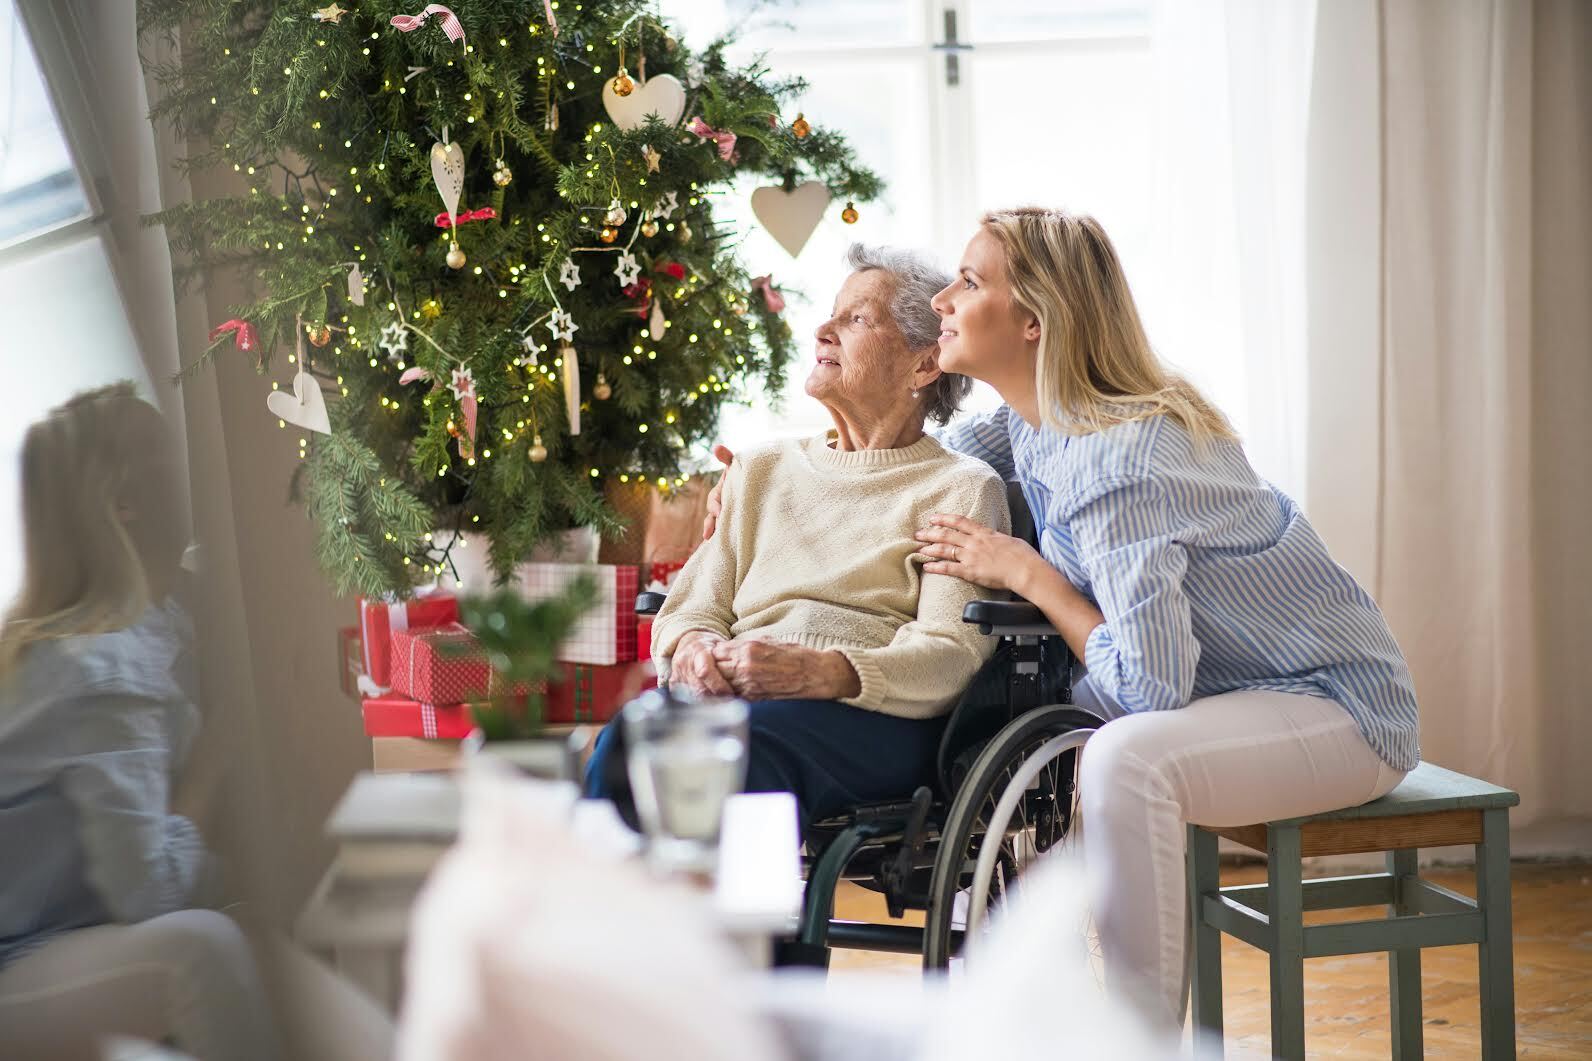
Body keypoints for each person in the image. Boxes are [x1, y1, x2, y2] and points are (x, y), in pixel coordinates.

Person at [706, 210, 1419, 1029]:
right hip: (1235, 696)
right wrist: (758, 480)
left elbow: (1150, 688)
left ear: (1032, 322)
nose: (943, 297)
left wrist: (1031, 574)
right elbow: (903, 463)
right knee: (1110, 752)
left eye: (970, 283)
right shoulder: (1031, 422)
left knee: (1126, 756)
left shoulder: (1125, 460)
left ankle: (1130, 1039)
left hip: (1338, 705)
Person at [586, 245, 1010, 831]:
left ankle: (725, 920)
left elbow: (950, 653)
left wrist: (824, 671)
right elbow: (692, 609)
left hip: (874, 718)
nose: (823, 330)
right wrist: (693, 654)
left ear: (923, 365)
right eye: (833, 313)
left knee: (731, 754)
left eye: (857, 319)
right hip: (742, 700)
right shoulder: (759, 470)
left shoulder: (959, 489)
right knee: (627, 740)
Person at [0, 384, 278, 1060]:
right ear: (124, 501)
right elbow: (150, 896)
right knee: (201, 950)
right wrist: (216, 760)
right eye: (168, 455)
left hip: (69, 936)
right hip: (20, 960)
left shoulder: (154, 621)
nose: (193, 469)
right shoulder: (98, 665)